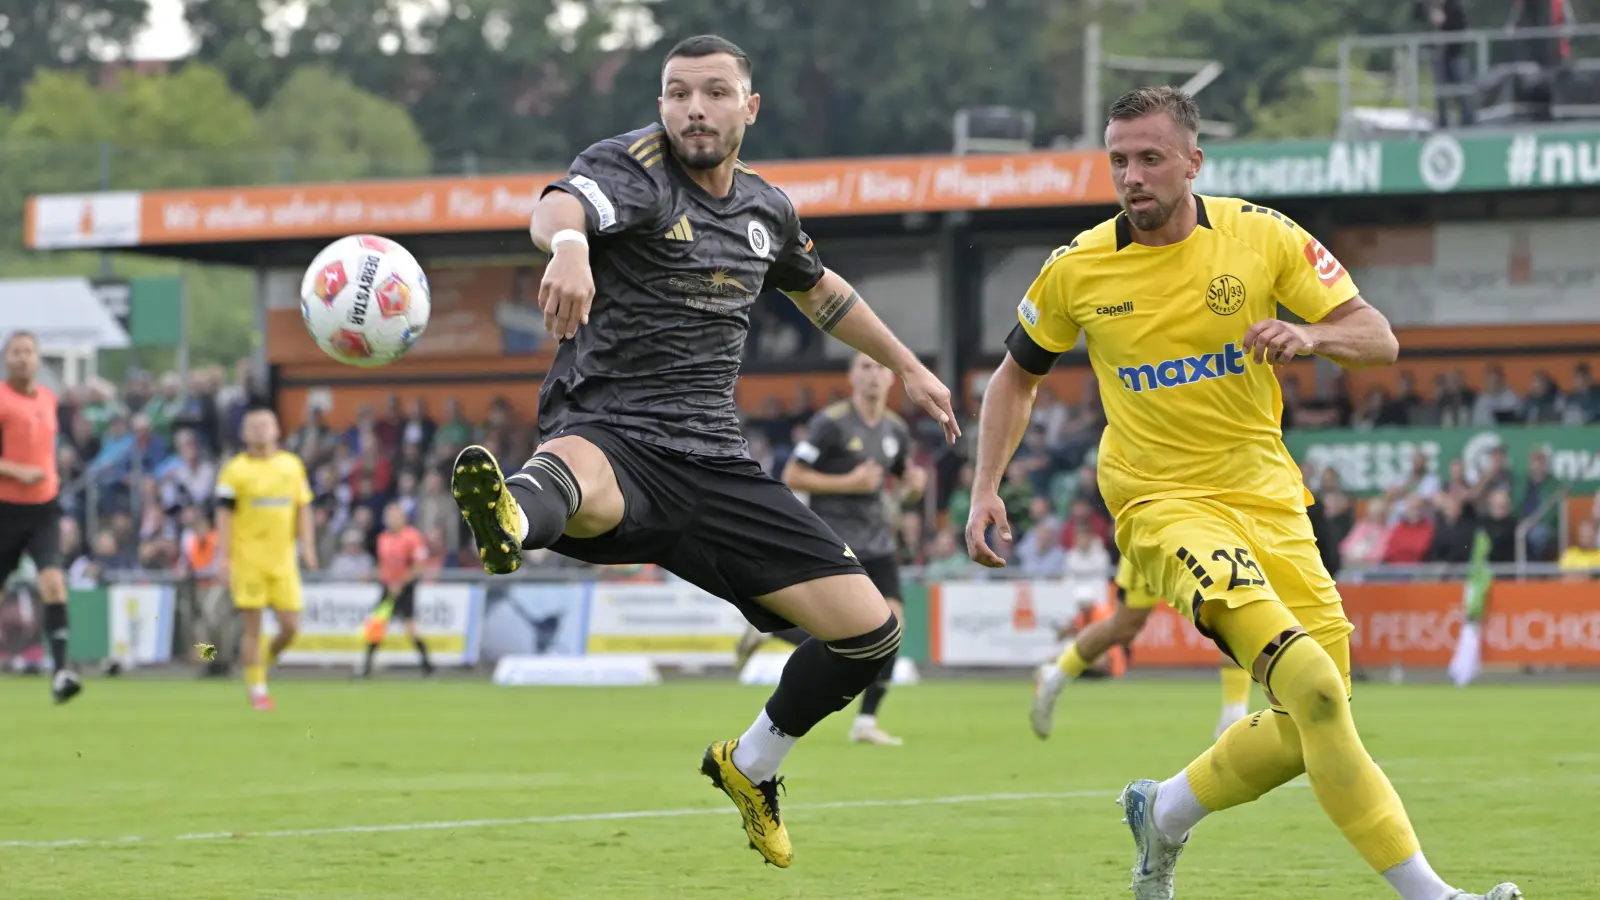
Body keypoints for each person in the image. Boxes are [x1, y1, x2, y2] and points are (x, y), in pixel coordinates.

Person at [965, 86, 1519, 900]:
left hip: (1269, 500)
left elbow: (1379, 337)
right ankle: (1434, 897)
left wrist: (1312, 334)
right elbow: (1016, 378)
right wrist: (986, 488)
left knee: (1314, 723)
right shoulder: (1077, 268)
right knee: (1317, 690)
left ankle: (1164, 812)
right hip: (1162, 506)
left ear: (1194, 161)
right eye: (1119, 160)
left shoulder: (1263, 237)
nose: (1133, 176)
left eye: (1151, 158)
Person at [447, 34, 957, 869]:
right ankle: (511, 512)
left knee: (871, 636)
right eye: (678, 92)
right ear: (660, 104)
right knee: (577, 472)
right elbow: (557, 205)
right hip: (615, 431)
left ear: (749, 108)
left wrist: (907, 365)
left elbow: (822, 291)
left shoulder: (766, 210)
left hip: (717, 464)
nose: (694, 108)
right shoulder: (633, 169)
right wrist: (571, 248)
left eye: (715, 92)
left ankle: (751, 765)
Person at [731, 352, 927, 747]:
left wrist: (914, 484)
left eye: (880, 368)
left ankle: (866, 722)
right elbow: (792, 474)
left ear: (891, 380)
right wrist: (849, 483)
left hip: (878, 541)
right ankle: (773, 632)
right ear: (852, 377)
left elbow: (905, 477)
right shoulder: (830, 424)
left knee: (892, 628)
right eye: (865, 367)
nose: (873, 375)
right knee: (838, 632)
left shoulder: (895, 430)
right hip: (836, 540)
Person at [1031, 556, 1252, 741]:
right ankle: (1055, 677)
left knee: (1225, 602)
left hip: (1200, 526)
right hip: (1151, 528)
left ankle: (1233, 713)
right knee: (1123, 628)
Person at [216, 405, 318, 710]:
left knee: (291, 627)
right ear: (244, 433)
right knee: (253, 628)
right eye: (253, 425)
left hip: (283, 560)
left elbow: (303, 507)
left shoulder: (291, 466)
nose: (260, 430)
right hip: (249, 560)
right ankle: (258, 689)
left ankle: (261, 664)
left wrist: (308, 546)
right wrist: (224, 557)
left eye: (265, 424)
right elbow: (223, 515)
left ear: (277, 430)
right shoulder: (234, 470)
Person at [0, 331, 80, 704]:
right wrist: (17, 471)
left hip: (43, 508)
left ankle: (62, 671)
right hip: (5, 508)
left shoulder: (48, 399)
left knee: (53, 583)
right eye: (15, 352)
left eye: (28, 351)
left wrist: (51, 473)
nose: (22, 358)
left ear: (37, 359)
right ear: (5, 359)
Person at [359, 501, 434, 678]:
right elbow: (383, 565)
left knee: (411, 629)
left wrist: (401, 582)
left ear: (403, 518)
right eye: (389, 516)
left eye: (395, 516)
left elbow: (419, 565)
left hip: (405, 588)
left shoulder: (412, 537)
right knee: (377, 626)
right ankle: (366, 669)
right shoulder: (383, 538)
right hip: (388, 588)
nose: (391, 520)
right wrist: (375, 576)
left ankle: (428, 667)